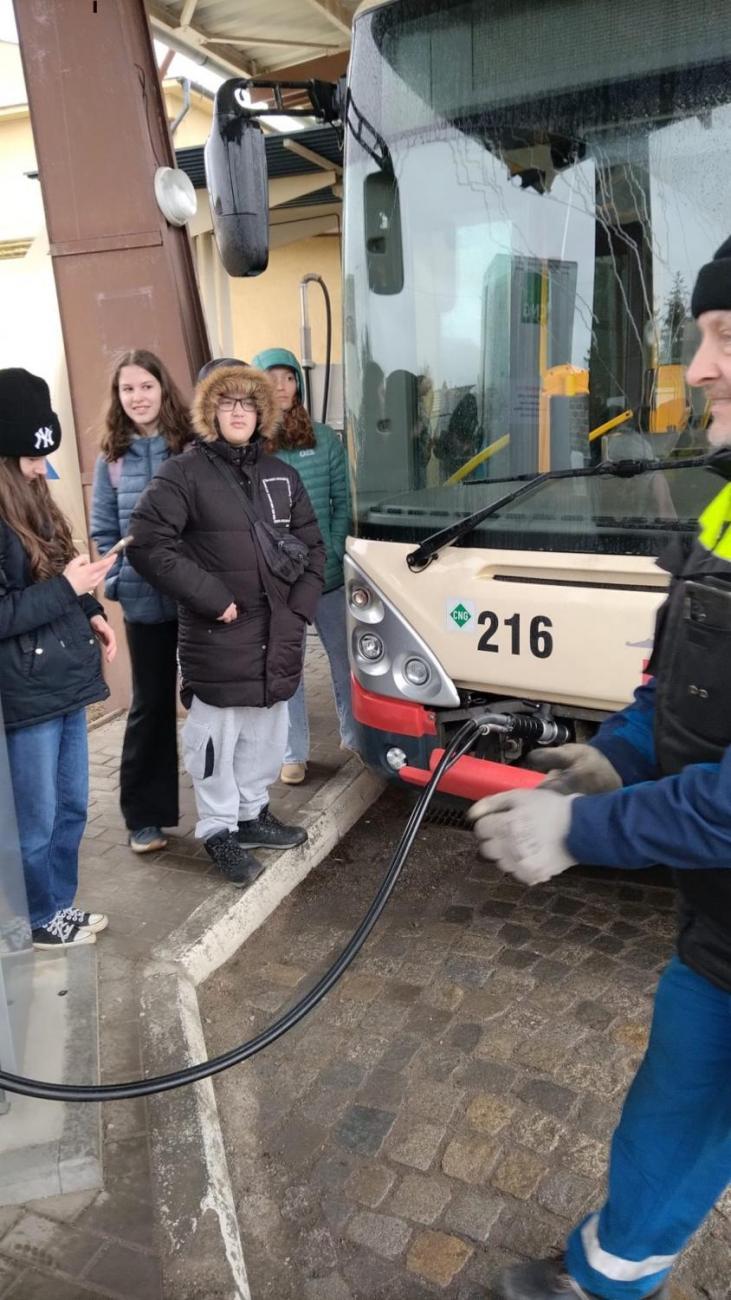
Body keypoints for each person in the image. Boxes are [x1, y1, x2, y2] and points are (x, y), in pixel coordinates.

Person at [469, 238, 731, 1300]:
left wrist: (581, 831)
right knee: (674, 1103)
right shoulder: (725, 508)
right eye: (702, 336)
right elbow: (680, 680)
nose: (697, 367)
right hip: (720, 926)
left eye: (724, 338)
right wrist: (610, 758)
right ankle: (608, 1274)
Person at [127, 364, 325, 887]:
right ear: (210, 412)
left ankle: (252, 814)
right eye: (227, 402)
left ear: (262, 413)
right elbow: (147, 543)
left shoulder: (283, 476)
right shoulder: (183, 474)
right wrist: (212, 597)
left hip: (278, 632)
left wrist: (300, 608)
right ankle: (218, 829)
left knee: (266, 730)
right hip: (219, 632)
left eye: (248, 403)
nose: (239, 412)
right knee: (216, 737)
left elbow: (314, 548)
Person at [0, 369, 117, 948]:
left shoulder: (35, 497)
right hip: (25, 693)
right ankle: (37, 917)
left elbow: (57, 569)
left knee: (71, 806)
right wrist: (69, 589)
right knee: (35, 820)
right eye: (30, 458)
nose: (41, 468)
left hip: (65, 676)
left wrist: (90, 608)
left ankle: (58, 906)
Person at [90, 349, 194, 855]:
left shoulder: (190, 446)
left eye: (146, 386)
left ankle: (234, 811)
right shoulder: (110, 457)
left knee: (212, 702)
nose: (137, 397)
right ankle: (145, 818)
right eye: (127, 389)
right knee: (150, 706)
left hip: (195, 600)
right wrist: (118, 582)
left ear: (162, 388)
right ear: (118, 396)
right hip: (142, 604)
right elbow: (103, 531)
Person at [252, 347, 356, 784]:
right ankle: (293, 752)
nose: (281, 386)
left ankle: (354, 735)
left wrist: (333, 550)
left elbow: (342, 501)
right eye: (271, 377)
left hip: (325, 575)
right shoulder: (251, 445)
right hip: (279, 581)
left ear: (299, 384)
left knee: (344, 660)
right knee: (287, 666)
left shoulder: (323, 438)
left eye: (289, 377)